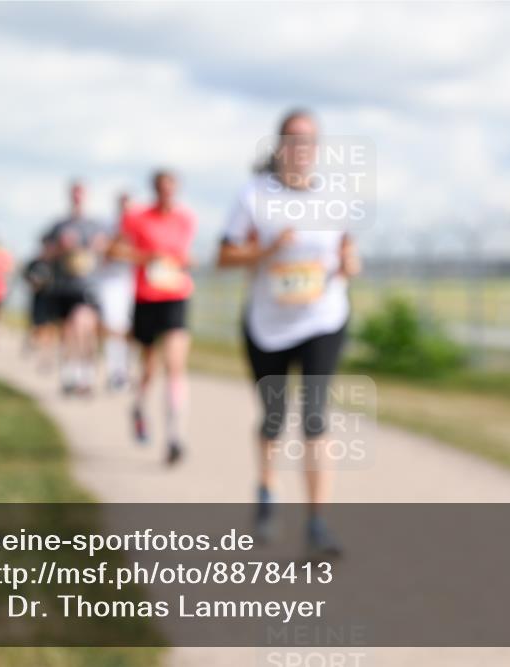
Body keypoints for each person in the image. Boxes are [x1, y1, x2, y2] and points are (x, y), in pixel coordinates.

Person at [217, 109, 361, 557]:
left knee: (315, 417)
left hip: (322, 318)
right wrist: (267, 250)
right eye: (293, 139)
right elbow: (224, 257)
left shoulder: (334, 197)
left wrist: (348, 265)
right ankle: (265, 493)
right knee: (274, 417)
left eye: (310, 140)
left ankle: (318, 522)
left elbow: (348, 252)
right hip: (268, 325)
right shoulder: (254, 196)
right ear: (279, 146)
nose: (301, 148)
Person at [110, 170, 196, 466]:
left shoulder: (186, 219)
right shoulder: (136, 217)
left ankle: (175, 437)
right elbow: (114, 250)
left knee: (175, 366)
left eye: (171, 188)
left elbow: (185, 255)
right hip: (146, 298)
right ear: (155, 190)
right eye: (161, 188)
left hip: (176, 296)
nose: (166, 193)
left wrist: (184, 261)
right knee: (150, 369)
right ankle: (139, 406)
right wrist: (147, 258)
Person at [43, 181, 107, 396]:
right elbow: (45, 254)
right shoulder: (58, 226)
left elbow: (109, 252)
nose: (78, 198)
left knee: (83, 327)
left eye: (81, 194)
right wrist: (60, 247)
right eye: (75, 194)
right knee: (68, 331)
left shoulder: (96, 226)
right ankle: (70, 373)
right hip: (64, 286)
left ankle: (85, 374)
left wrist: (101, 247)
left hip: (87, 286)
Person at [92, 193, 135, 389]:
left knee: (129, 328)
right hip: (111, 283)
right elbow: (102, 251)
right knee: (114, 326)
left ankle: (125, 370)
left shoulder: (137, 226)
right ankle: (115, 371)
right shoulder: (108, 226)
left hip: (132, 281)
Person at [22, 234, 58, 372]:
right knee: (38, 327)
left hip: (53, 300)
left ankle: (46, 359)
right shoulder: (35, 262)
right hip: (38, 299)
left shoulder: (56, 263)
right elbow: (26, 276)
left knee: (49, 330)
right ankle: (34, 345)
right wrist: (34, 283)